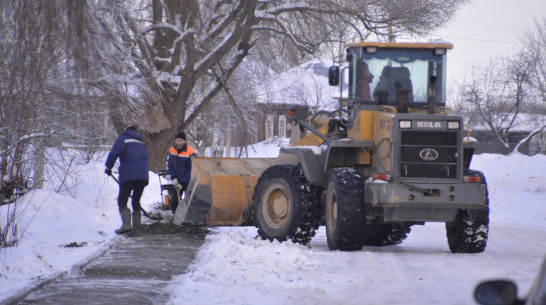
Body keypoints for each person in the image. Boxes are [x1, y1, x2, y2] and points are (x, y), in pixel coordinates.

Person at [105, 125, 149, 236]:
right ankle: (136, 229)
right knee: (136, 200)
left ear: (127, 131)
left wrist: (108, 167)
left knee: (122, 199)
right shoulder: (141, 142)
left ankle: (126, 225)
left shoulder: (123, 139)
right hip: (143, 176)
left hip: (128, 174)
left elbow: (114, 153)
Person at [167, 131, 196, 214]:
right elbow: (170, 165)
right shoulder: (172, 151)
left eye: (180, 141)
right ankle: (176, 218)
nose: (178, 143)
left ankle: (188, 218)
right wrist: (174, 178)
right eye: (177, 140)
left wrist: (183, 182)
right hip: (177, 180)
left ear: (185, 141)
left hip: (188, 181)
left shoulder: (191, 153)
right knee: (174, 202)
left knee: (189, 201)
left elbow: (191, 169)